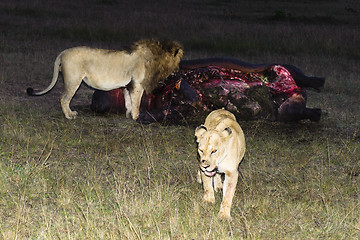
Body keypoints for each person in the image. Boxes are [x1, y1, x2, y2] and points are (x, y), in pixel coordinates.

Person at [91, 58, 325, 124]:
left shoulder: (147, 81)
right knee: (271, 109)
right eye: (120, 102)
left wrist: (183, 86)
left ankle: (303, 84)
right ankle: (301, 109)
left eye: (120, 94)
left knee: (265, 74)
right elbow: (182, 110)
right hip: (225, 97)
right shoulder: (150, 109)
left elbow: (175, 73)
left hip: (217, 79)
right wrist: (158, 116)